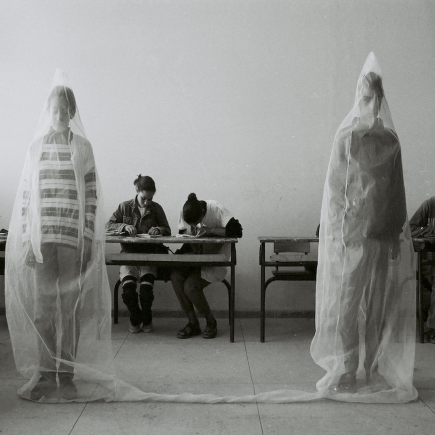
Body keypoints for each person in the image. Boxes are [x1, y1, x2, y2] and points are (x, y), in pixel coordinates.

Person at [310, 53, 417, 402]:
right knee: (347, 305)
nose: (369, 104)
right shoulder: (347, 139)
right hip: (354, 237)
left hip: (382, 236)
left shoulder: (390, 141)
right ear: (359, 98)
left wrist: (398, 232)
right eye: (365, 97)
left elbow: (397, 190)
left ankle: (371, 368)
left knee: (377, 306)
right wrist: (338, 234)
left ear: (381, 100)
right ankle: (347, 367)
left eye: (374, 98)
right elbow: (335, 191)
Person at [5, 69, 115, 402]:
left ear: (72, 112)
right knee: (43, 309)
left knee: (70, 309)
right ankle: (44, 374)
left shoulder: (82, 147)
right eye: (55, 109)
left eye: (65, 109)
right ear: (48, 111)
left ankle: (66, 376)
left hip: (71, 241)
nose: (60, 114)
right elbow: (27, 197)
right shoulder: (36, 147)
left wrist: (86, 238)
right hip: (42, 241)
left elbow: (91, 197)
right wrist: (28, 239)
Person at [171, 193, 242, 339]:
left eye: (196, 222)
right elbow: (182, 232)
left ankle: (211, 322)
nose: (193, 225)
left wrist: (210, 231)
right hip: (194, 258)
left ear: (203, 212)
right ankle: (193, 323)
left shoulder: (216, 209)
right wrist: (189, 231)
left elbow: (237, 231)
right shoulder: (186, 211)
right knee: (176, 277)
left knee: (190, 287)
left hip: (215, 261)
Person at [106, 175, 171, 333]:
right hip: (128, 257)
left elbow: (167, 230)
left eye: (150, 199)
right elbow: (108, 225)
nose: (147, 203)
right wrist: (123, 227)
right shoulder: (124, 207)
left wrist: (158, 230)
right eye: (144, 198)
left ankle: (147, 319)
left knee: (146, 292)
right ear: (137, 190)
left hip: (149, 257)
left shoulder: (157, 209)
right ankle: (135, 319)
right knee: (128, 292)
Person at [409, 197, 435, 342]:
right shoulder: (430, 205)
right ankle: (432, 329)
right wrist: (431, 230)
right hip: (430, 259)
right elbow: (410, 228)